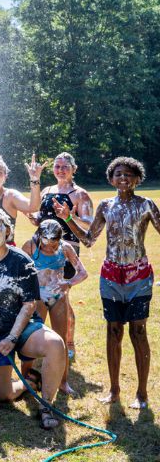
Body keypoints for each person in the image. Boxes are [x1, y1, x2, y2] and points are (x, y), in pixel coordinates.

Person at [53, 157, 158, 409]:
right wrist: (68, 219)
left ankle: (142, 394)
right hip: (111, 276)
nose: (123, 178)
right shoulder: (105, 206)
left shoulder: (146, 205)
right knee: (113, 331)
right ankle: (114, 391)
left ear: (137, 179)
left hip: (139, 276)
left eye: (129, 174)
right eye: (118, 174)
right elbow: (89, 240)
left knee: (138, 332)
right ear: (111, 179)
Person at [0, 208, 66, 429]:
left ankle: (46, 405)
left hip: (24, 328)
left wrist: (13, 338)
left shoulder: (21, 261)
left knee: (55, 344)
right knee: (1, 395)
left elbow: (29, 305)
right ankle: (28, 383)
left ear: (7, 230)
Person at [33, 152, 93, 358]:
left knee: (62, 298)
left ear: (73, 169)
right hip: (42, 250)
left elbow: (89, 223)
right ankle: (42, 342)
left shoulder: (79, 194)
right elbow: (42, 217)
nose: (60, 170)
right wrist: (34, 218)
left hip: (66, 250)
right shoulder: (47, 190)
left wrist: (70, 216)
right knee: (41, 295)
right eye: (57, 166)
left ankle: (69, 343)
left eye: (65, 166)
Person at [20, 220, 87, 395]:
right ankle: (25, 379)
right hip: (37, 297)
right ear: (39, 236)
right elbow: (17, 271)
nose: (50, 249)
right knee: (30, 337)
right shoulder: (30, 246)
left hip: (58, 296)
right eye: (46, 244)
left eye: (54, 245)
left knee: (62, 339)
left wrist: (69, 283)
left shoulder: (65, 248)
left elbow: (83, 272)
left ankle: (63, 382)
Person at [0, 154, 46, 236]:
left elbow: (33, 207)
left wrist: (35, 179)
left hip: (5, 248)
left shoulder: (10, 196)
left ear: (5, 177)